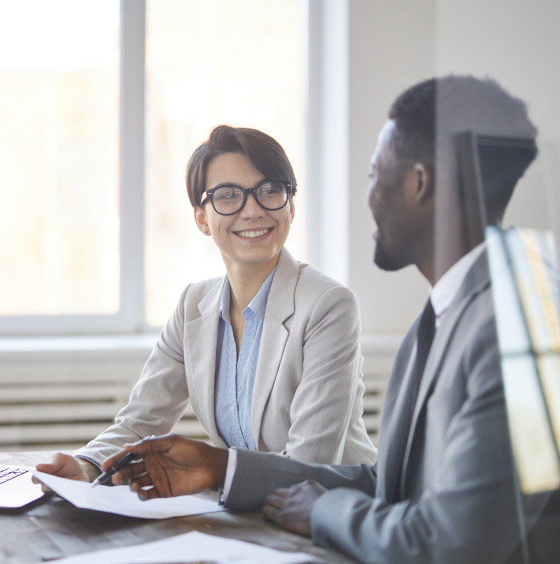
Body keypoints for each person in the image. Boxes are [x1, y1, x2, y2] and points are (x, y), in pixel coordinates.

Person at [102, 76, 542, 564]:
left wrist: (325, 509)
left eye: (376, 174)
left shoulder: (511, 333)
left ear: (419, 183)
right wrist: (216, 468)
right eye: (228, 196)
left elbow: (450, 541)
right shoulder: (436, 319)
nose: (368, 197)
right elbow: (389, 484)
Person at [37, 126, 377, 483]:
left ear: (290, 204)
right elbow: (140, 421)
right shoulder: (193, 306)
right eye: (229, 196)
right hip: (247, 515)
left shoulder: (328, 306)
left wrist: (212, 472)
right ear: (202, 217)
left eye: (269, 191)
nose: (252, 211)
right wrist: (88, 464)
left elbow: (310, 464)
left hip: (332, 516)